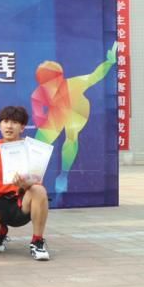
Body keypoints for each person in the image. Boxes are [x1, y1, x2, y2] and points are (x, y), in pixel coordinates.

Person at [31, 43, 117, 198]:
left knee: (71, 136)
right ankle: (34, 178)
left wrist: (109, 62)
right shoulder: (39, 93)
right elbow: (38, 113)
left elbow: (94, 76)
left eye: (54, 81)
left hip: (77, 109)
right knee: (38, 143)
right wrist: (41, 120)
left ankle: (63, 175)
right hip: (57, 112)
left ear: (60, 78)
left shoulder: (74, 84)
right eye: (46, 84)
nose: (51, 87)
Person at [0, 106, 51, 261]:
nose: (9, 126)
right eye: (5, 121)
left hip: (22, 200)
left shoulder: (32, 148)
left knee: (39, 190)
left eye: (15, 122)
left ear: (22, 127)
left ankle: (37, 241)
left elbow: (37, 182)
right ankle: (1, 232)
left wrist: (24, 185)